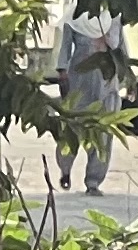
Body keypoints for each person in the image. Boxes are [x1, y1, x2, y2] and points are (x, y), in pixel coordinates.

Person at [54, 13, 128, 193]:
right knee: (72, 126)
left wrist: (129, 79)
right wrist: (62, 73)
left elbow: (122, 51)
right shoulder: (74, 17)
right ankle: (65, 169)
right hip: (80, 80)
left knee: (103, 130)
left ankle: (94, 181)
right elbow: (64, 50)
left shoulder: (114, 18)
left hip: (107, 82)